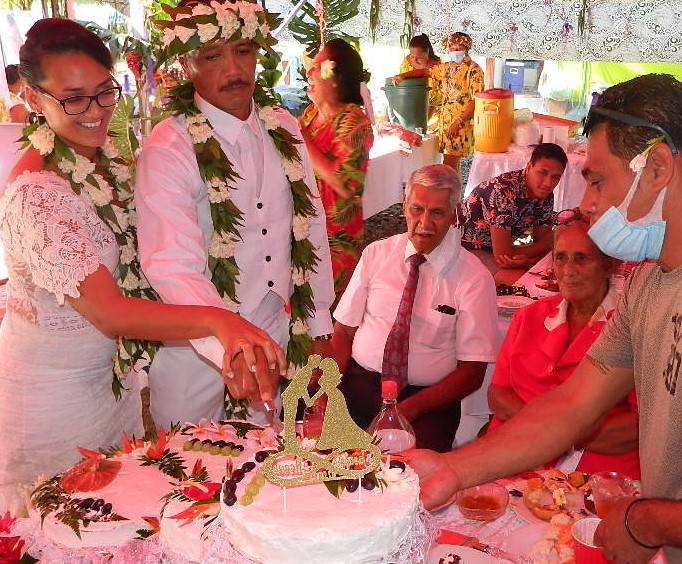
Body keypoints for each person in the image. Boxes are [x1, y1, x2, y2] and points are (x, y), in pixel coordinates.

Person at [0, 18, 286, 513]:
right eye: (73, 98)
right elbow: (109, 311)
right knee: (62, 525)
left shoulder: (103, 157)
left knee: (123, 516)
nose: (95, 113)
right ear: (30, 95)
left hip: (113, 384)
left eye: (104, 92)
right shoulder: (37, 193)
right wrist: (220, 321)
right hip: (54, 397)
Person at [409, 74, 682, 562]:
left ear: (657, 166)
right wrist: (454, 469)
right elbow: (572, 406)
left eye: (595, 180)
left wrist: (647, 519)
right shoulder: (648, 284)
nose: (587, 204)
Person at [135, 0, 336, 427]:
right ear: (187, 63)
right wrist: (227, 342)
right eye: (213, 56)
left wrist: (318, 322)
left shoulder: (283, 125)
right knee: (190, 467)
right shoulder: (169, 145)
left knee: (262, 461)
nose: (233, 70)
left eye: (243, 51)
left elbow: (311, 224)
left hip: (274, 326)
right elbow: (171, 262)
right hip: (195, 347)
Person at [331, 164, 498, 452]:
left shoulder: (474, 278)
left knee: (415, 477)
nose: (424, 223)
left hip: (428, 399)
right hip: (362, 383)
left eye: (437, 213)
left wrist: (410, 410)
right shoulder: (376, 254)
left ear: (454, 214)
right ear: (404, 205)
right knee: (317, 448)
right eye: (417, 209)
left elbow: (472, 371)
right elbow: (344, 331)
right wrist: (326, 391)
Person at [488, 219, 640, 478]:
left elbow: (638, 425)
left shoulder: (631, 328)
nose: (568, 270)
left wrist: (562, 434)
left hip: (596, 468)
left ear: (609, 265)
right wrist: (545, 430)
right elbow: (498, 393)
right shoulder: (527, 317)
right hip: (516, 455)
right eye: (560, 258)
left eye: (581, 258)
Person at [299, 39, 373, 302]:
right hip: (303, 228)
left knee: (326, 311)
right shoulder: (309, 114)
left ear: (334, 78)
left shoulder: (353, 121)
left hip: (335, 238)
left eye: (317, 66)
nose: (309, 72)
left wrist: (299, 138)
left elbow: (345, 184)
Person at [458, 142, 567, 283]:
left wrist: (526, 260)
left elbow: (546, 239)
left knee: (555, 264)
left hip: (507, 243)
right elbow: (502, 255)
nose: (548, 183)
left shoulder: (545, 194)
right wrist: (527, 256)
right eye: (543, 172)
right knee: (529, 284)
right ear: (529, 167)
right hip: (469, 247)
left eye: (555, 177)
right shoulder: (503, 192)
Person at [393, 32, 483, 175]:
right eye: (452, 49)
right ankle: (456, 196)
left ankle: (451, 196)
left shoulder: (473, 69)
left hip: (461, 122)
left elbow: (477, 100)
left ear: (466, 48)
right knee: (452, 165)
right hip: (446, 121)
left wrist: (458, 121)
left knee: (448, 165)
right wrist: (402, 76)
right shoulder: (447, 67)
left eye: (458, 49)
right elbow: (425, 72)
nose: (454, 52)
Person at [397, 34, 442, 121]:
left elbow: (435, 102)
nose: (414, 60)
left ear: (427, 52)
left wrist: (424, 121)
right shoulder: (407, 61)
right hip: (408, 106)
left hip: (430, 114)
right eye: (412, 56)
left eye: (419, 58)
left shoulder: (436, 68)